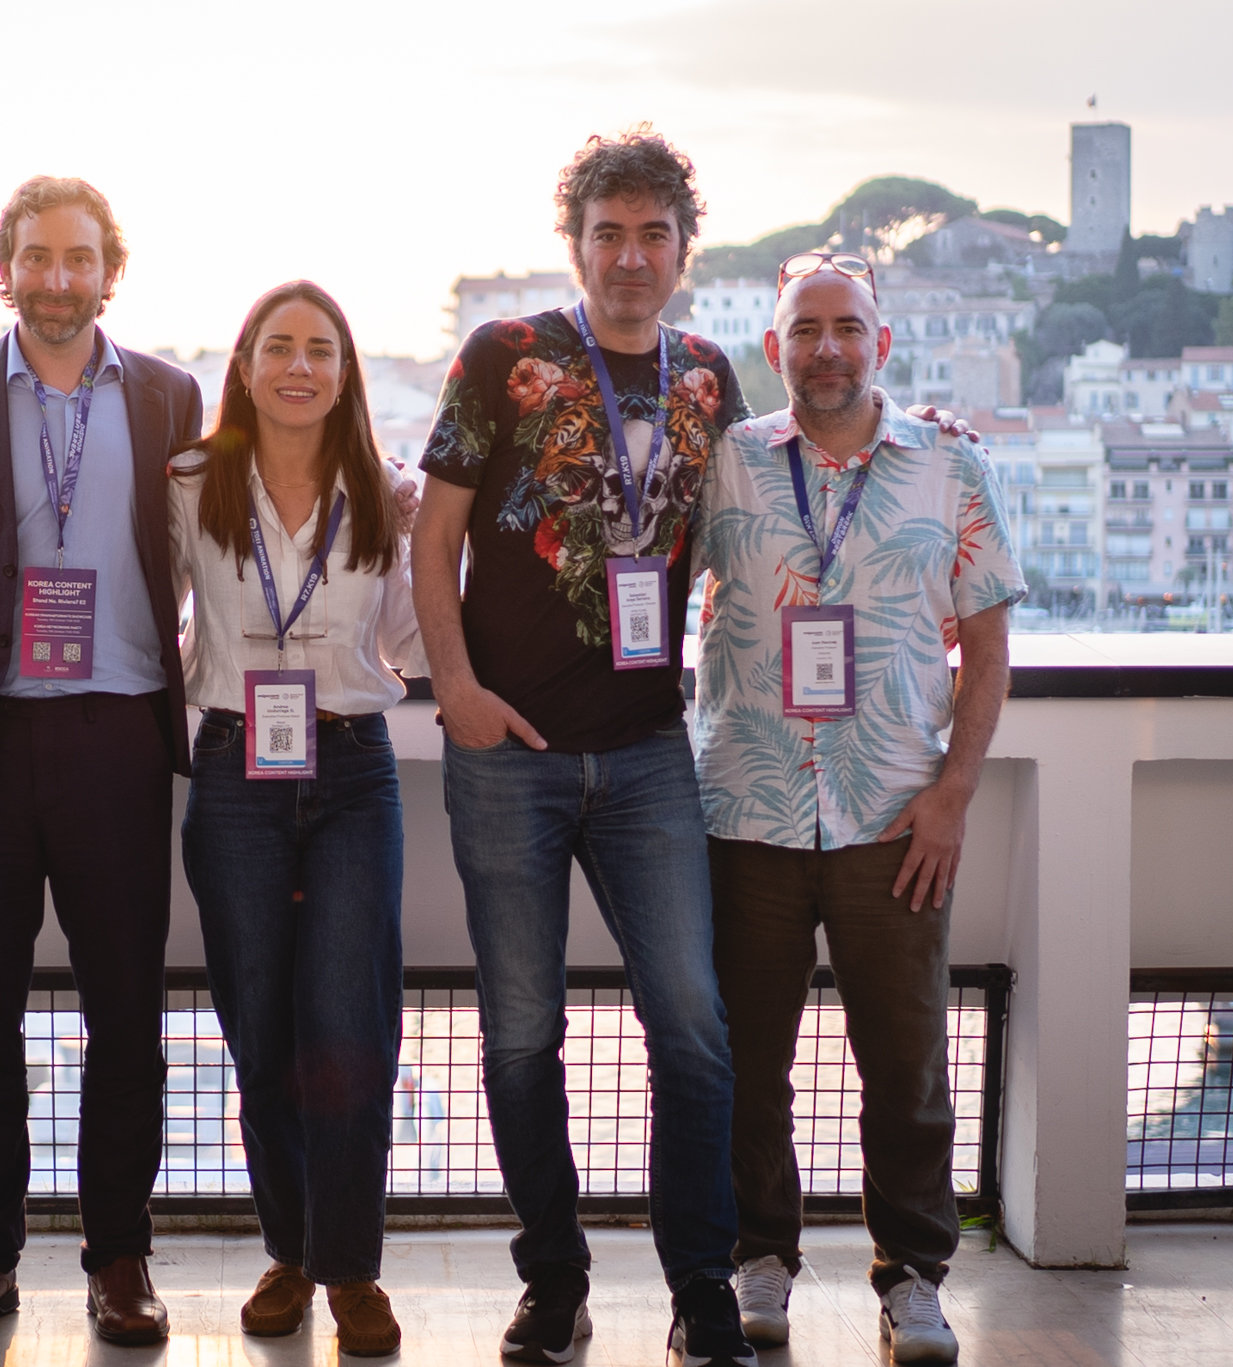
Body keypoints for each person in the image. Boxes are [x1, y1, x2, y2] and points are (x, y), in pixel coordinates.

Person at [413, 130, 758, 1367]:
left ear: (681, 250)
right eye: (606, 234)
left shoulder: (707, 375)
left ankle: (701, 1286)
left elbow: (760, 517)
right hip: (506, 750)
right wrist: (454, 689)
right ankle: (552, 1282)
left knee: (693, 1026)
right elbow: (432, 536)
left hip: (648, 751)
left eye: (651, 234)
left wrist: (912, 434)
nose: (628, 257)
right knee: (520, 1034)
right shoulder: (501, 355)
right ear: (574, 246)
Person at [0, 175, 203, 1348]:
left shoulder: (167, 394)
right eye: (36, 257)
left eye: (78, 258)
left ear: (110, 272)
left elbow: (207, 552)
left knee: (127, 1017)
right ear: (4, 269)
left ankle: (118, 1254)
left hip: (119, 735)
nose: (57, 278)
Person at [690, 252, 1023, 1365]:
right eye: (804, 329)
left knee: (907, 1065)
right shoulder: (727, 462)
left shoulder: (951, 464)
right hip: (745, 810)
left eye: (845, 328)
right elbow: (631, 567)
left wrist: (952, 795)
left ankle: (913, 1277)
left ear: (880, 342)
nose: (825, 348)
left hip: (894, 818)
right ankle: (758, 1257)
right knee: (747, 1065)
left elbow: (988, 647)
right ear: (773, 346)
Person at [169, 280, 426, 1357]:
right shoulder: (189, 484)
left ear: (344, 371)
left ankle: (350, 1265)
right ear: (244, 365)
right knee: (261, 1028)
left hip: (354, 771)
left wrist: (436, 547)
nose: (299, 366)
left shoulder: (384, 489)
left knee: (349, 1026)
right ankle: (289, 1249)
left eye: (321, 349)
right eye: (279, 346)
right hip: (234, 771)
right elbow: (148, 617)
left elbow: (411, 638)